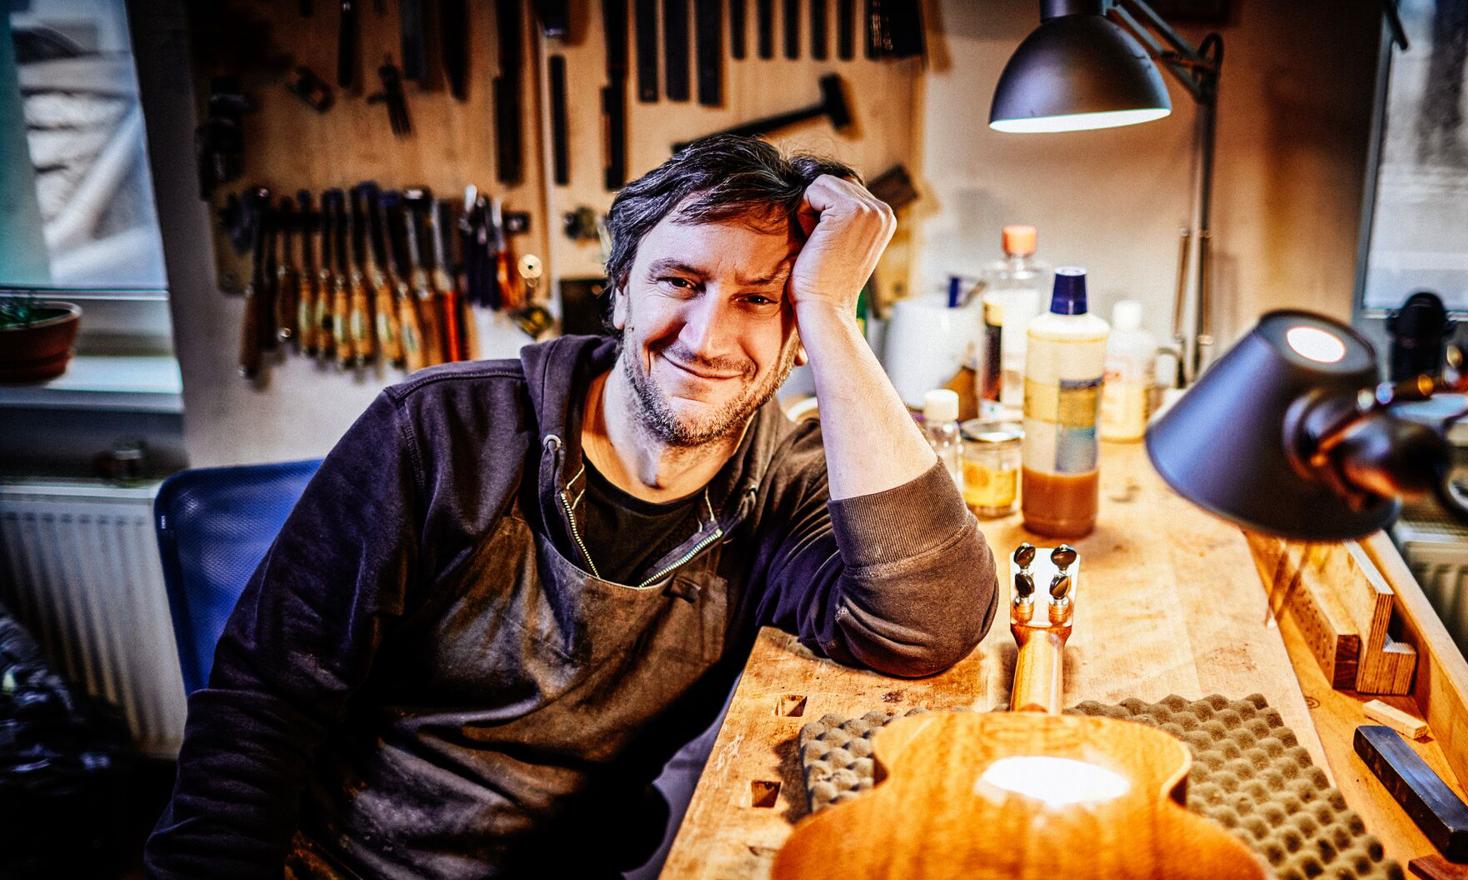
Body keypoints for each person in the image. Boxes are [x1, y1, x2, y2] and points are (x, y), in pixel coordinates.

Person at [145, 135, 998, 879]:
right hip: (351, 862)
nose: (705, 338)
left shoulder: (788, 486)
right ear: (621, 289)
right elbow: (263, 704)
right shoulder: (440, 431)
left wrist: (834, 319)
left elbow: (926, 622)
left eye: (759, 300)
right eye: (680, 281)